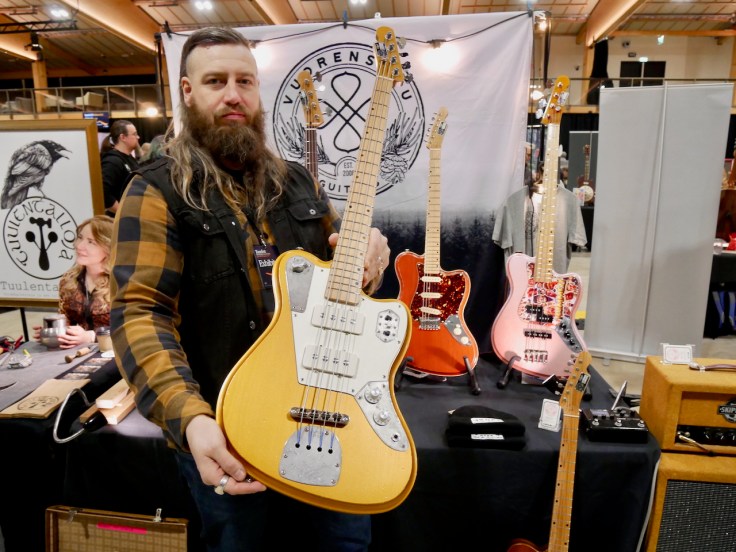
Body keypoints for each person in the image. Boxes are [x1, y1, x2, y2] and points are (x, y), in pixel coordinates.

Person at [110, 26, 388, 551]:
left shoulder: (299, 183)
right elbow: (140, 314)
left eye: (245, 81)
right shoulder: (156, 190)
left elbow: (345, 293)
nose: (233, 95)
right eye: (216, 81)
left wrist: (369, 260)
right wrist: (191, 419)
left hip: (331, 422)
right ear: (188, 92)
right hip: (226, 433)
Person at [33, 215, 114, 348]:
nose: (79, 246)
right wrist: (55, 332)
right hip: (81, 354)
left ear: (108, 248)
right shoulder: (69, 280)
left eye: (91, 242)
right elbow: (67, 321)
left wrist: (91, 336)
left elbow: (135, 327)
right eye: (80, 238)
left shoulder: (123, 281)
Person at [101, 120, 140, 216]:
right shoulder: (112, 161)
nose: (138, 137)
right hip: (120, 220)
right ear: (123, 137)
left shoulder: (129, 158)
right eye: (134, 134)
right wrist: (124, 213)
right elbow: (103, 193)